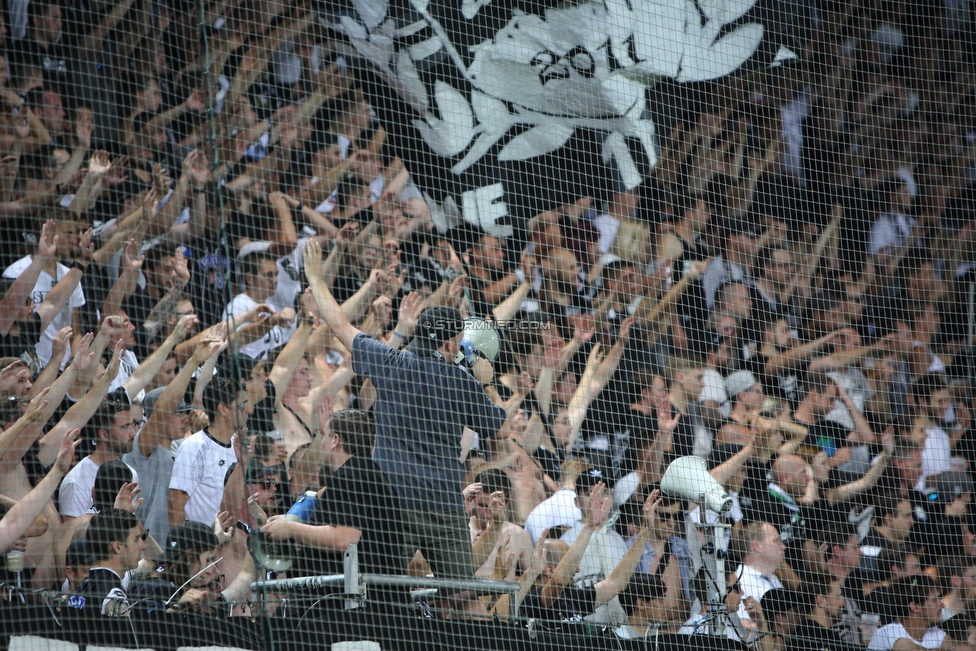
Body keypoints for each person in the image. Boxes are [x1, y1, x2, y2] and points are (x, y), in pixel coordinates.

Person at [303, 241, 506, 579]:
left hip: (395, 503)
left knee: (386, 586)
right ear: (452, 344)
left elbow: (339, 325)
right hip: (444, 501)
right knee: (464, 595)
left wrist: (314, 276)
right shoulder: (462, 381)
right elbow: (496, 424)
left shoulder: (392, 361)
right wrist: (486, 381)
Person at [262, 409, 408, 577]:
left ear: (335, 440)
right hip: (373, 592)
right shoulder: (369, 472)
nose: (323, 441)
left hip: (359, 597)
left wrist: (291, 528)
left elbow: (345, 539)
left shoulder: (349, 475)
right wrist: (290, 517)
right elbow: (320, 496)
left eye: (326, 435)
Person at [168, 375, 248, 528]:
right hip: (202, 545)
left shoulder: (238, 447)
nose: (248, 410)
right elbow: (175, 504)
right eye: (242, 406)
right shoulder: (193, 447)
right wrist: (179, 548)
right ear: (223, 409)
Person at [59, 390, 140, 519]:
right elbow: (69, 534)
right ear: (104, 434)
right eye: (124, 427)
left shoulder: (130, 473)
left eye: (132, 425)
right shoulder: (76, 480)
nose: (133, 433)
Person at [70, 508, 148, 616]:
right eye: (136, 540)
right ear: (117, 547)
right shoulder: (112, 593)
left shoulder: (81, 587)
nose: (143, 546)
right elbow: (126, 627)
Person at [867, 576, 948, 650]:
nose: (942, 605)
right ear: (915, 607)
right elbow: (904, 647)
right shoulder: (888, 632)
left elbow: (957, 647)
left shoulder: (935, 633)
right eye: (934, 600)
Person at [735, 521, 786, 625]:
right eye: (776, 541)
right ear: (757, 546)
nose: (784, 546)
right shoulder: (741, 582)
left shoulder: (773, 577)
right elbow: (745, 627)